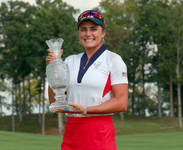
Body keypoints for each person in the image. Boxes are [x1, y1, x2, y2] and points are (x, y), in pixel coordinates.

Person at [46, 10, 128, 150]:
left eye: (94, 29)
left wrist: (85, 109)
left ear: (103, 33)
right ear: (79, 34)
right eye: (83, 29)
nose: (88, 34)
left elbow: (121, 103)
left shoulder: (113, 60)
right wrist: (54, 67)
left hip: (99, 131)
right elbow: (55, 101)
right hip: (71, 132)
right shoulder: (70, 61)